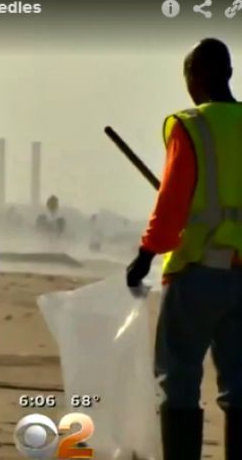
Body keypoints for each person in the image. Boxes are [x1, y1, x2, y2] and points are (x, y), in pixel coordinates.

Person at [126, 38, 242, 460]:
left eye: (189, 76)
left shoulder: (191, 126)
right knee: (241, 387)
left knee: (178, 381)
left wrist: (145, 254)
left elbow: (171, 203)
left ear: (200, 75)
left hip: (197, 274)